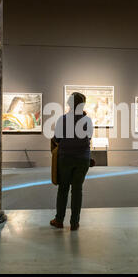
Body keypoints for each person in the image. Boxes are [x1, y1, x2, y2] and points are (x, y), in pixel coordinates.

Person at [50, 92, 93, 231]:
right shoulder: (87, 120)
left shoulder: (63, 119)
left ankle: (59, 220)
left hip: (66, 158)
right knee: (77, 190)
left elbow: (57, 139)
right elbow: (89, 139)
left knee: (63, 189)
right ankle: (74, 223)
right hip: (82, 159)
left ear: (69, 104)